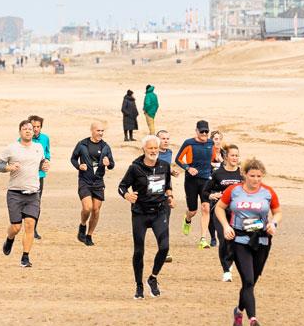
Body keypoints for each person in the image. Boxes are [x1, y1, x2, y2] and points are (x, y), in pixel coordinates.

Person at [217, 158, 280, 326]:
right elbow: (219, 208)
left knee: (251, 282)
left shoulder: (268, 192)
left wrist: (273, 224)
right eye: (252, 176)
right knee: (248, 280)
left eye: (259, 176)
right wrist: (226, 226)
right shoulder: (234, 191)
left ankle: (239, 311)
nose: (255, 180)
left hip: (261, 240)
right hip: (239, 240)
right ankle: (253, 320)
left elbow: (278, 212)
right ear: (245, 174)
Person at [117, 135, 174, 299]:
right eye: (150, 148)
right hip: (140, 213)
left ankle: (153, 278)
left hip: (159, 211)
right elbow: (121, 187)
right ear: (144, 149)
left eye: (156, 148)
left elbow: (167, 185)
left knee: (164, 247)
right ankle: (139, 285)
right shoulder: (135, 168)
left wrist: (170, 197)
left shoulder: (164, 165)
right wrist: (127, 196)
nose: (154, 151)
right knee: (139, 251)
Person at [0, 119, 48, 268]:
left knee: (30, 224)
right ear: (20, 131)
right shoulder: (11, 148)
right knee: (16, 227)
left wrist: (45, 165)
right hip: (15, 192)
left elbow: (41, 163)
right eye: (25, 128)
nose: (28, 131)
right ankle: (9, 238)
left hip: (33, 192)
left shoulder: (38, 148)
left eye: (30, 129)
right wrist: (9, 168)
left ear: (34, 132)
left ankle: (25, 257)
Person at [202, 143, 245, 282]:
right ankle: (226, 270)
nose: (234, 158)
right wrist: (212, 196)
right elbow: (205, 191)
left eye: (237, 156)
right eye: (232, 155)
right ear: (226, 157)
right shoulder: (218, 173)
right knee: (223, 239)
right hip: (220, 211)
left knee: (235, 241)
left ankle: (230, 259)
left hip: (237, 214)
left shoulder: (242, 174)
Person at [70, 121, 115, 246]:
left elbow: (112, 164)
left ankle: (89, 235)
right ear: (92, 130)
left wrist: (108, 164)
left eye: (102, 131)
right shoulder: (82, 144)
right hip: (84, 180)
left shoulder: (106, 146)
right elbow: (73, 158)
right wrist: (79, 166)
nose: (100, 133)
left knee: (96, 210)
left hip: (98, 182)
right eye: (98, 131)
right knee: (87, 207)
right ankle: (82, 225)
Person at [175, 121, 216, 245]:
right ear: (196, 131)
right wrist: (188, 168)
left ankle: (203, 239)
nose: (204, 134)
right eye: (201, 131)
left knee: (206, 208)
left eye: (206, 132)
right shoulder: (189, 143)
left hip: (206, 180)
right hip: (191, 181)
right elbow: (178, 159)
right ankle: (187, 219)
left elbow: (213, 158)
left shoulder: (210, 143)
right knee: (193, 211)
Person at [30, 115, 50, 240]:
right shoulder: (23, 139)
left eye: (38, 127)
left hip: (39, 176)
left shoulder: (45, 138)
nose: (36, 129)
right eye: (33, 127)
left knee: (36, 202)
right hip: (26, 176)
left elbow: (47, 152)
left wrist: (47, 160)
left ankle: (33, 229)